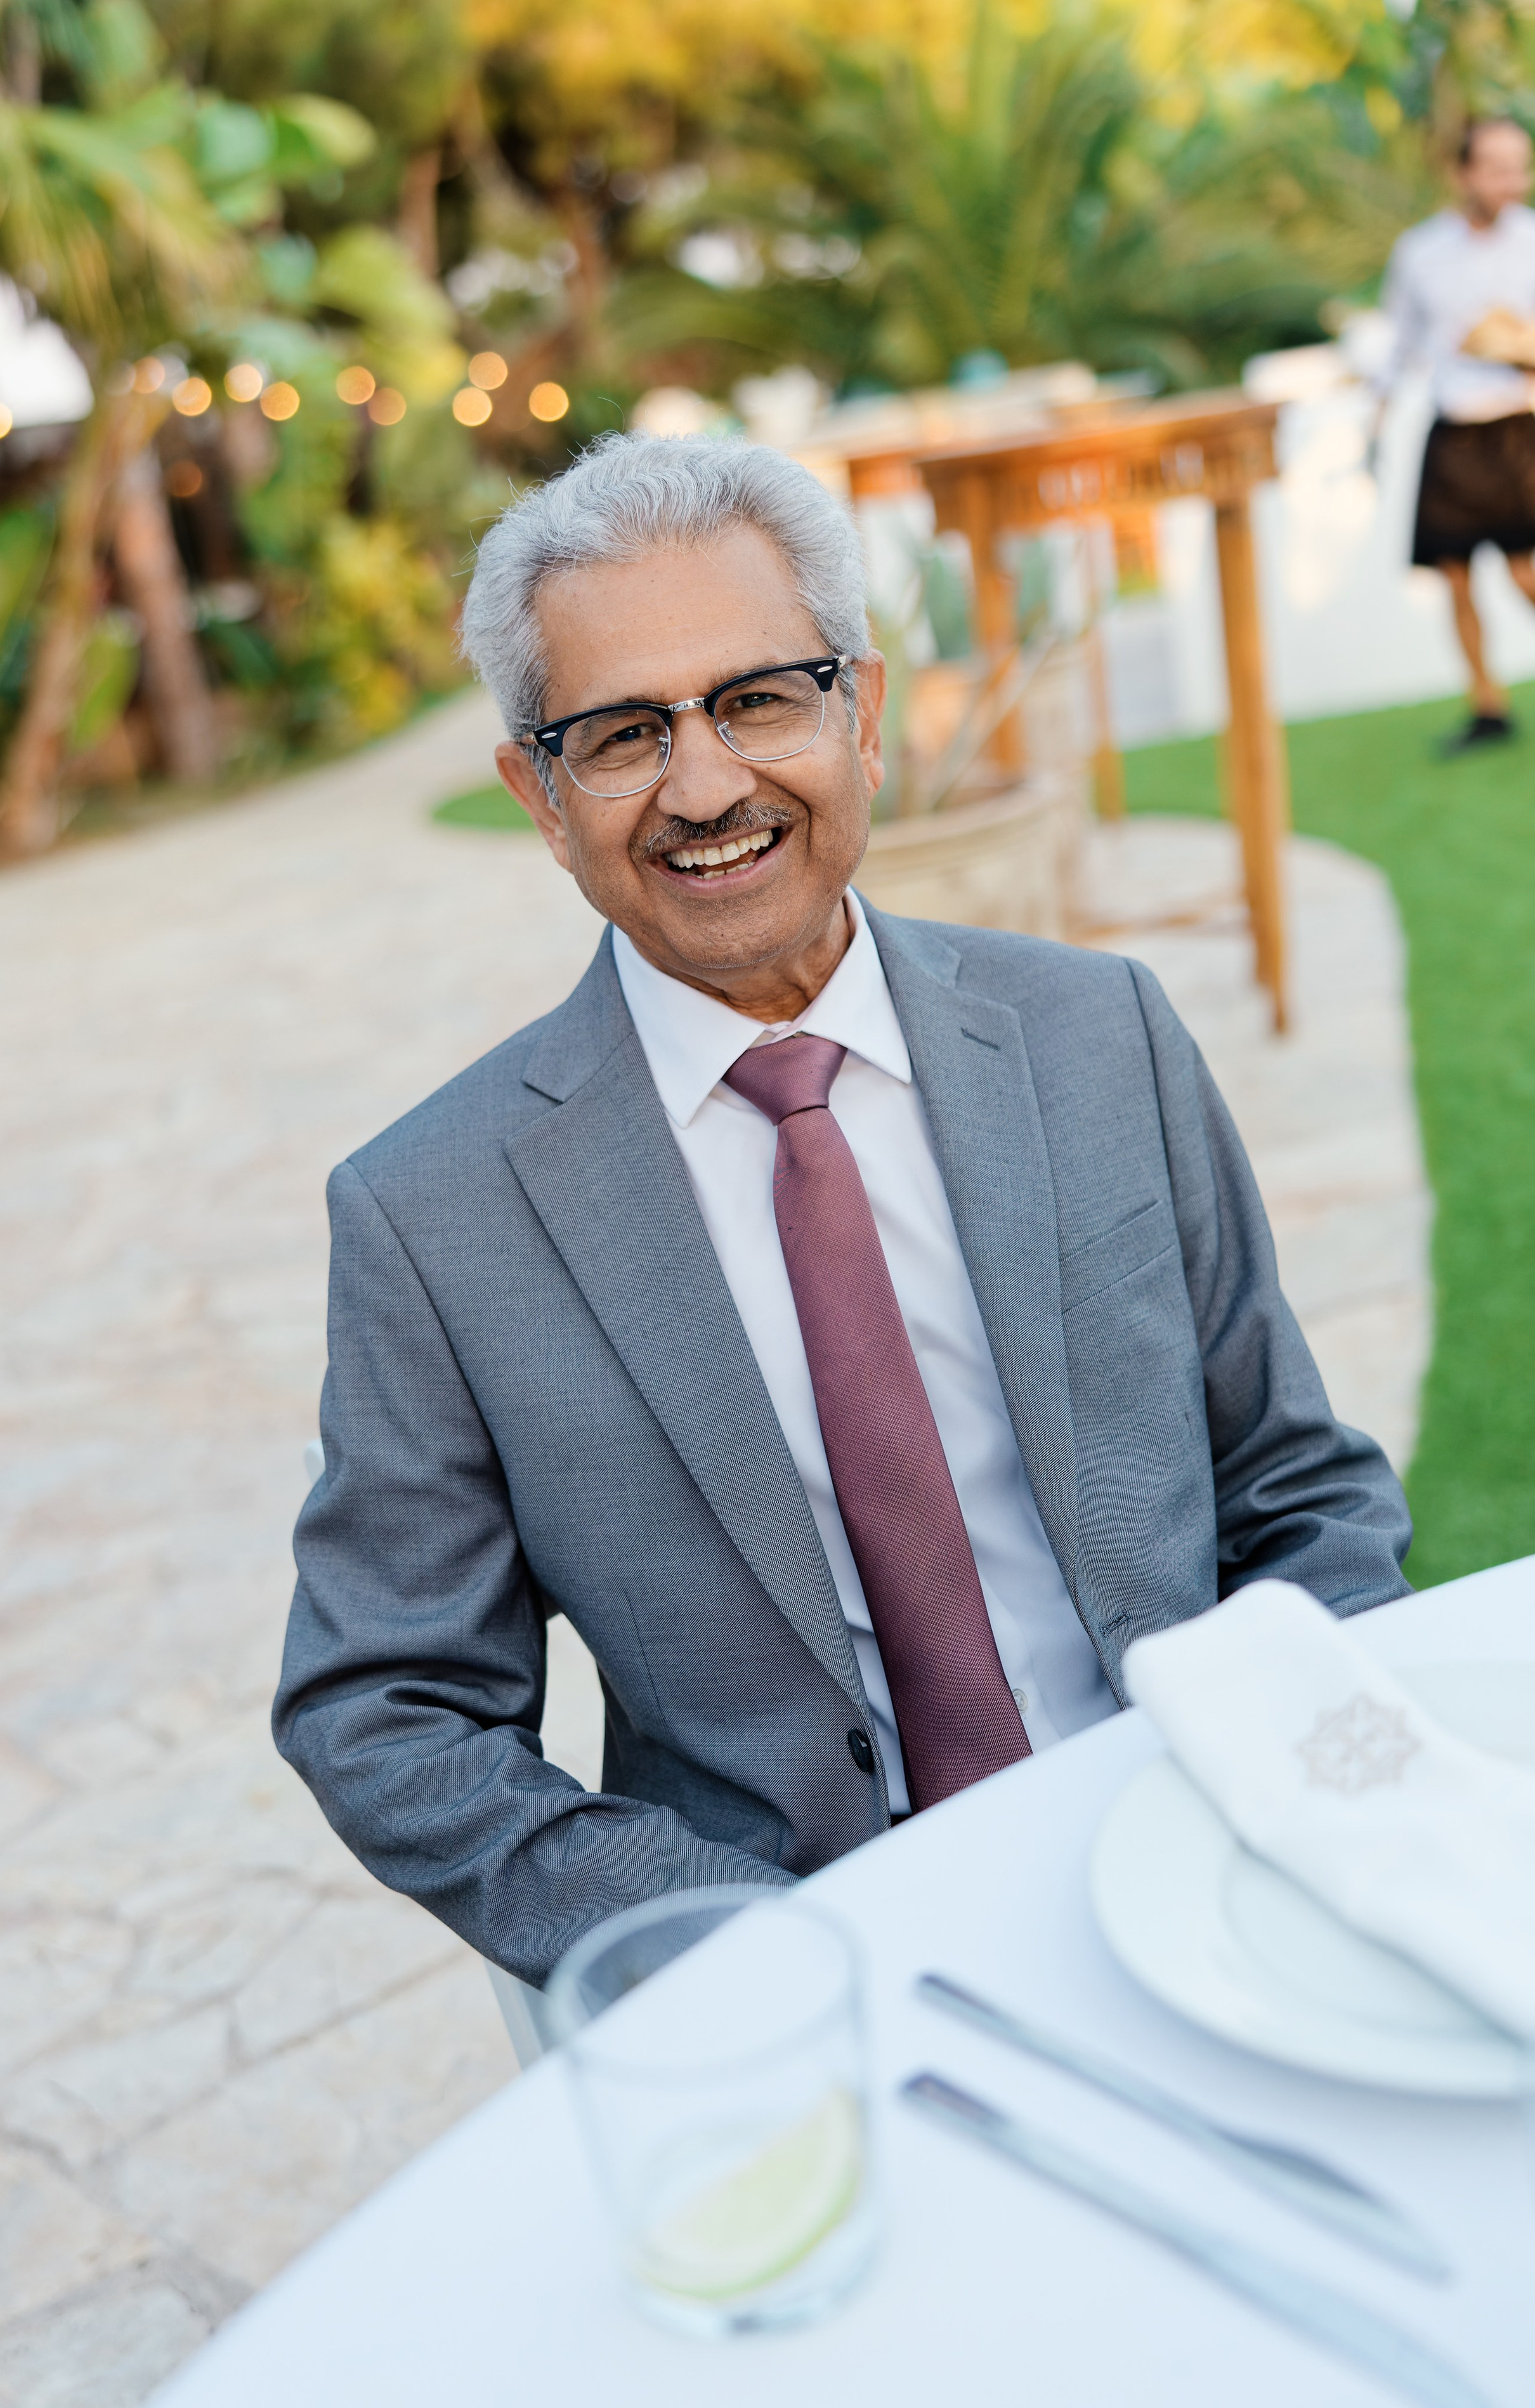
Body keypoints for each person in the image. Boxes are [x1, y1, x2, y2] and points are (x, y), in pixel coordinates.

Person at [274, 436, 1411, 1990]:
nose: (703, 785)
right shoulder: (434, 1214)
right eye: (617, 733)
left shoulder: (1100, 1036)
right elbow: (383, 1706)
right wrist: (730, 1945)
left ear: (860, 714)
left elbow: (1293, 1480)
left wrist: (1299, 1792)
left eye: (755, 699)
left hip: (1207, 1850)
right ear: (538, 796)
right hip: (805, 1967)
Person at [1378, 114, 1535, 754]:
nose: (1512, 181)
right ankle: (1486, 705)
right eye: (1497, 168)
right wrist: (1376, 410)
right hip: (1452, 431)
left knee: (1526, 572)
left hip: (1517, 424)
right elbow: (1399, 344)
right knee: (1455, 577)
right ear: (1462, 172)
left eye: (1519, 166)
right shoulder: (1420, 252)